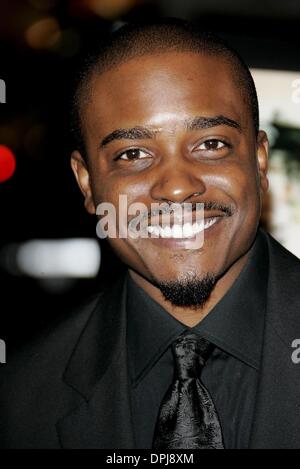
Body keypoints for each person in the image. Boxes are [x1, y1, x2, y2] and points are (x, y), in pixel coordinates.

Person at [1, 19, 300, 450]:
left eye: (210, 144)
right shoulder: (20, 396)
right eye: (133, 154)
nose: (177, 186)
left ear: (258, 161)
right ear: (87, 184)